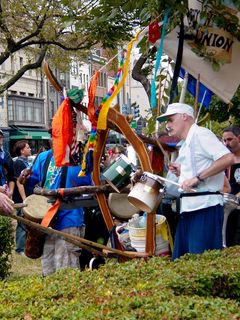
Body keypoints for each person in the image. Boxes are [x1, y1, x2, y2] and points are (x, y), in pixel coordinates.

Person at [157, 102, 234, 260]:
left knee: (200, 262)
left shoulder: (201, 134)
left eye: (171, 120)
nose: (168, 125)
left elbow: (228, 158)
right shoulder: (187, 142)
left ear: (184, 116)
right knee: (182, 262)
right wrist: (183, 173)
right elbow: (198, 170)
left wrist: (197, 178)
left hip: (205, 207)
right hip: (189, 208)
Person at [22, 147, 92, 276]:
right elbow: (32, 179)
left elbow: (91, 183)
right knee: (48, 265)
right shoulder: (44, 157)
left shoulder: (81, 158)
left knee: (66, 267)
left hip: (69, 219)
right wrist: (25, 177)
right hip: (46, 219)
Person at [12, 140, 32, 256]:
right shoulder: (19, 163)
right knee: (22, 222)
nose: (30, 149)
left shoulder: (26, 162)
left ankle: (25, 245)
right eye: (28, 148)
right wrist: (24, 198)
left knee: (27, 222)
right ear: (21, 150)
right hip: (21, 198)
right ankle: (19, 248)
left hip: (27, 195)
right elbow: (19, 182)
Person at [222, 125, 240, 246]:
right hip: (228, 204)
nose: (226, 143)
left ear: (239, 138)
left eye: (229, 139)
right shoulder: (224, 159)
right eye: (224, 140)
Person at [0, 129, 15, 199]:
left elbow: (11, 176)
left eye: (1, 136)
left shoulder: (7, 155)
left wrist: (11, 191)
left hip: (6, 195)